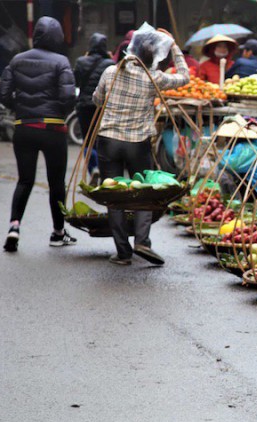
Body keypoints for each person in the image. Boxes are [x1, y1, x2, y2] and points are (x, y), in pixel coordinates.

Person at [93, 27, 189, 266]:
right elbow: (185, 78)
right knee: (144, 192)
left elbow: (97, 100)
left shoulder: (110, 72)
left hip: (109, 140)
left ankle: (123, 252)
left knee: (113, 196)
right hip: (138, 143)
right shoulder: (153, 77)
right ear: (155, 56)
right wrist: (175, 47)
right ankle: (142, 242)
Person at [0, 16, 77, 252]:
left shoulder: (16, 60)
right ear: (58, 37)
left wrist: (20, 109)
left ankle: (14, 227)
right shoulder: (61, 61)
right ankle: (58, 232)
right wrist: (60, 112)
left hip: (23, 128)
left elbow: (2, 93)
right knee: (56, 184)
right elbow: (68, 97)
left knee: (25, 180)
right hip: (53, 129)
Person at [73, 33, 115, 184]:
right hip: (102, 107)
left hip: (84, 105)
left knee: (87, 140)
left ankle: (93, 169)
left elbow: (76, 81)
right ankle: (103, 172)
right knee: (101, 140)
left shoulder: (81, 61)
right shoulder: (110, 63)